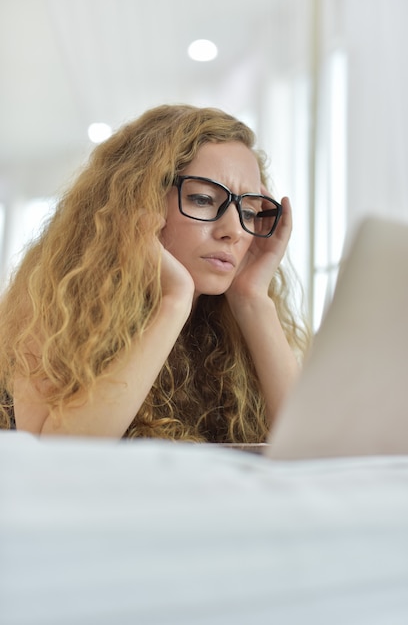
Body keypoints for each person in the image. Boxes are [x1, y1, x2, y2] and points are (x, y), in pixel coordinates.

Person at [0, 104, 310, 441]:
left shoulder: (229, 323)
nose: (234, 231)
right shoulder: (57, 305)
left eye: (249, 212)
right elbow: (60, 456)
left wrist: (253, 300)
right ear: (138, 202)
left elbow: (312, 453)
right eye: (204, 200)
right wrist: (173, 301)